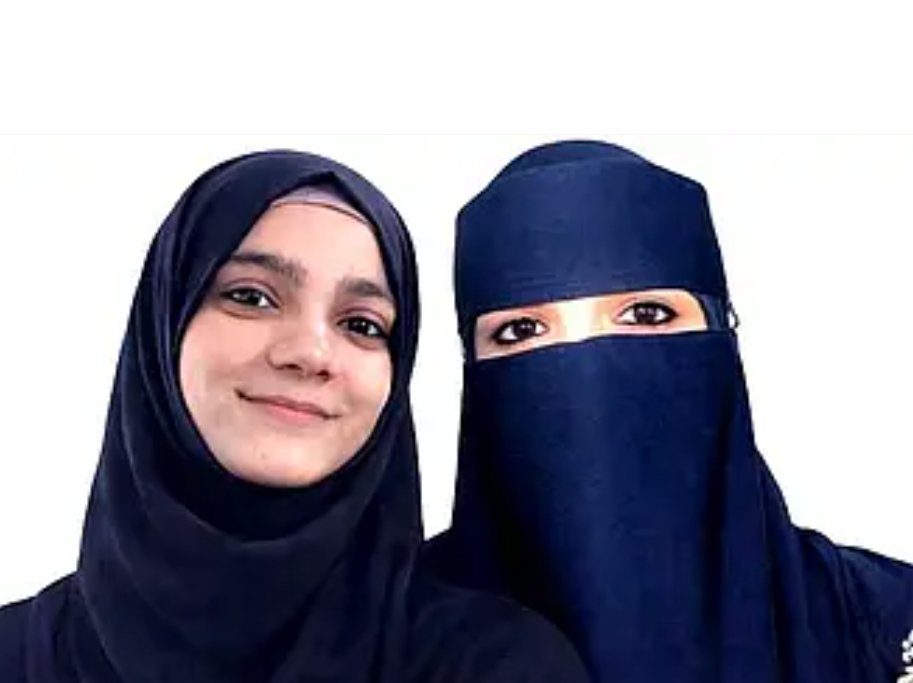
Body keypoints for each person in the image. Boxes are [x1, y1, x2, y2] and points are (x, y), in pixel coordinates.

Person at [0, 150, 589, 682]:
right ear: (163, 328)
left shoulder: (495, 664)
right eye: (251, 296)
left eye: (361, 324)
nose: (311, 353)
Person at [425, 140, 913, 681]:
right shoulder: (384, 644)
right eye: (521, 330)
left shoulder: (891, 626)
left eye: (646, 314)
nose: (587, 372)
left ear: (722, 337)